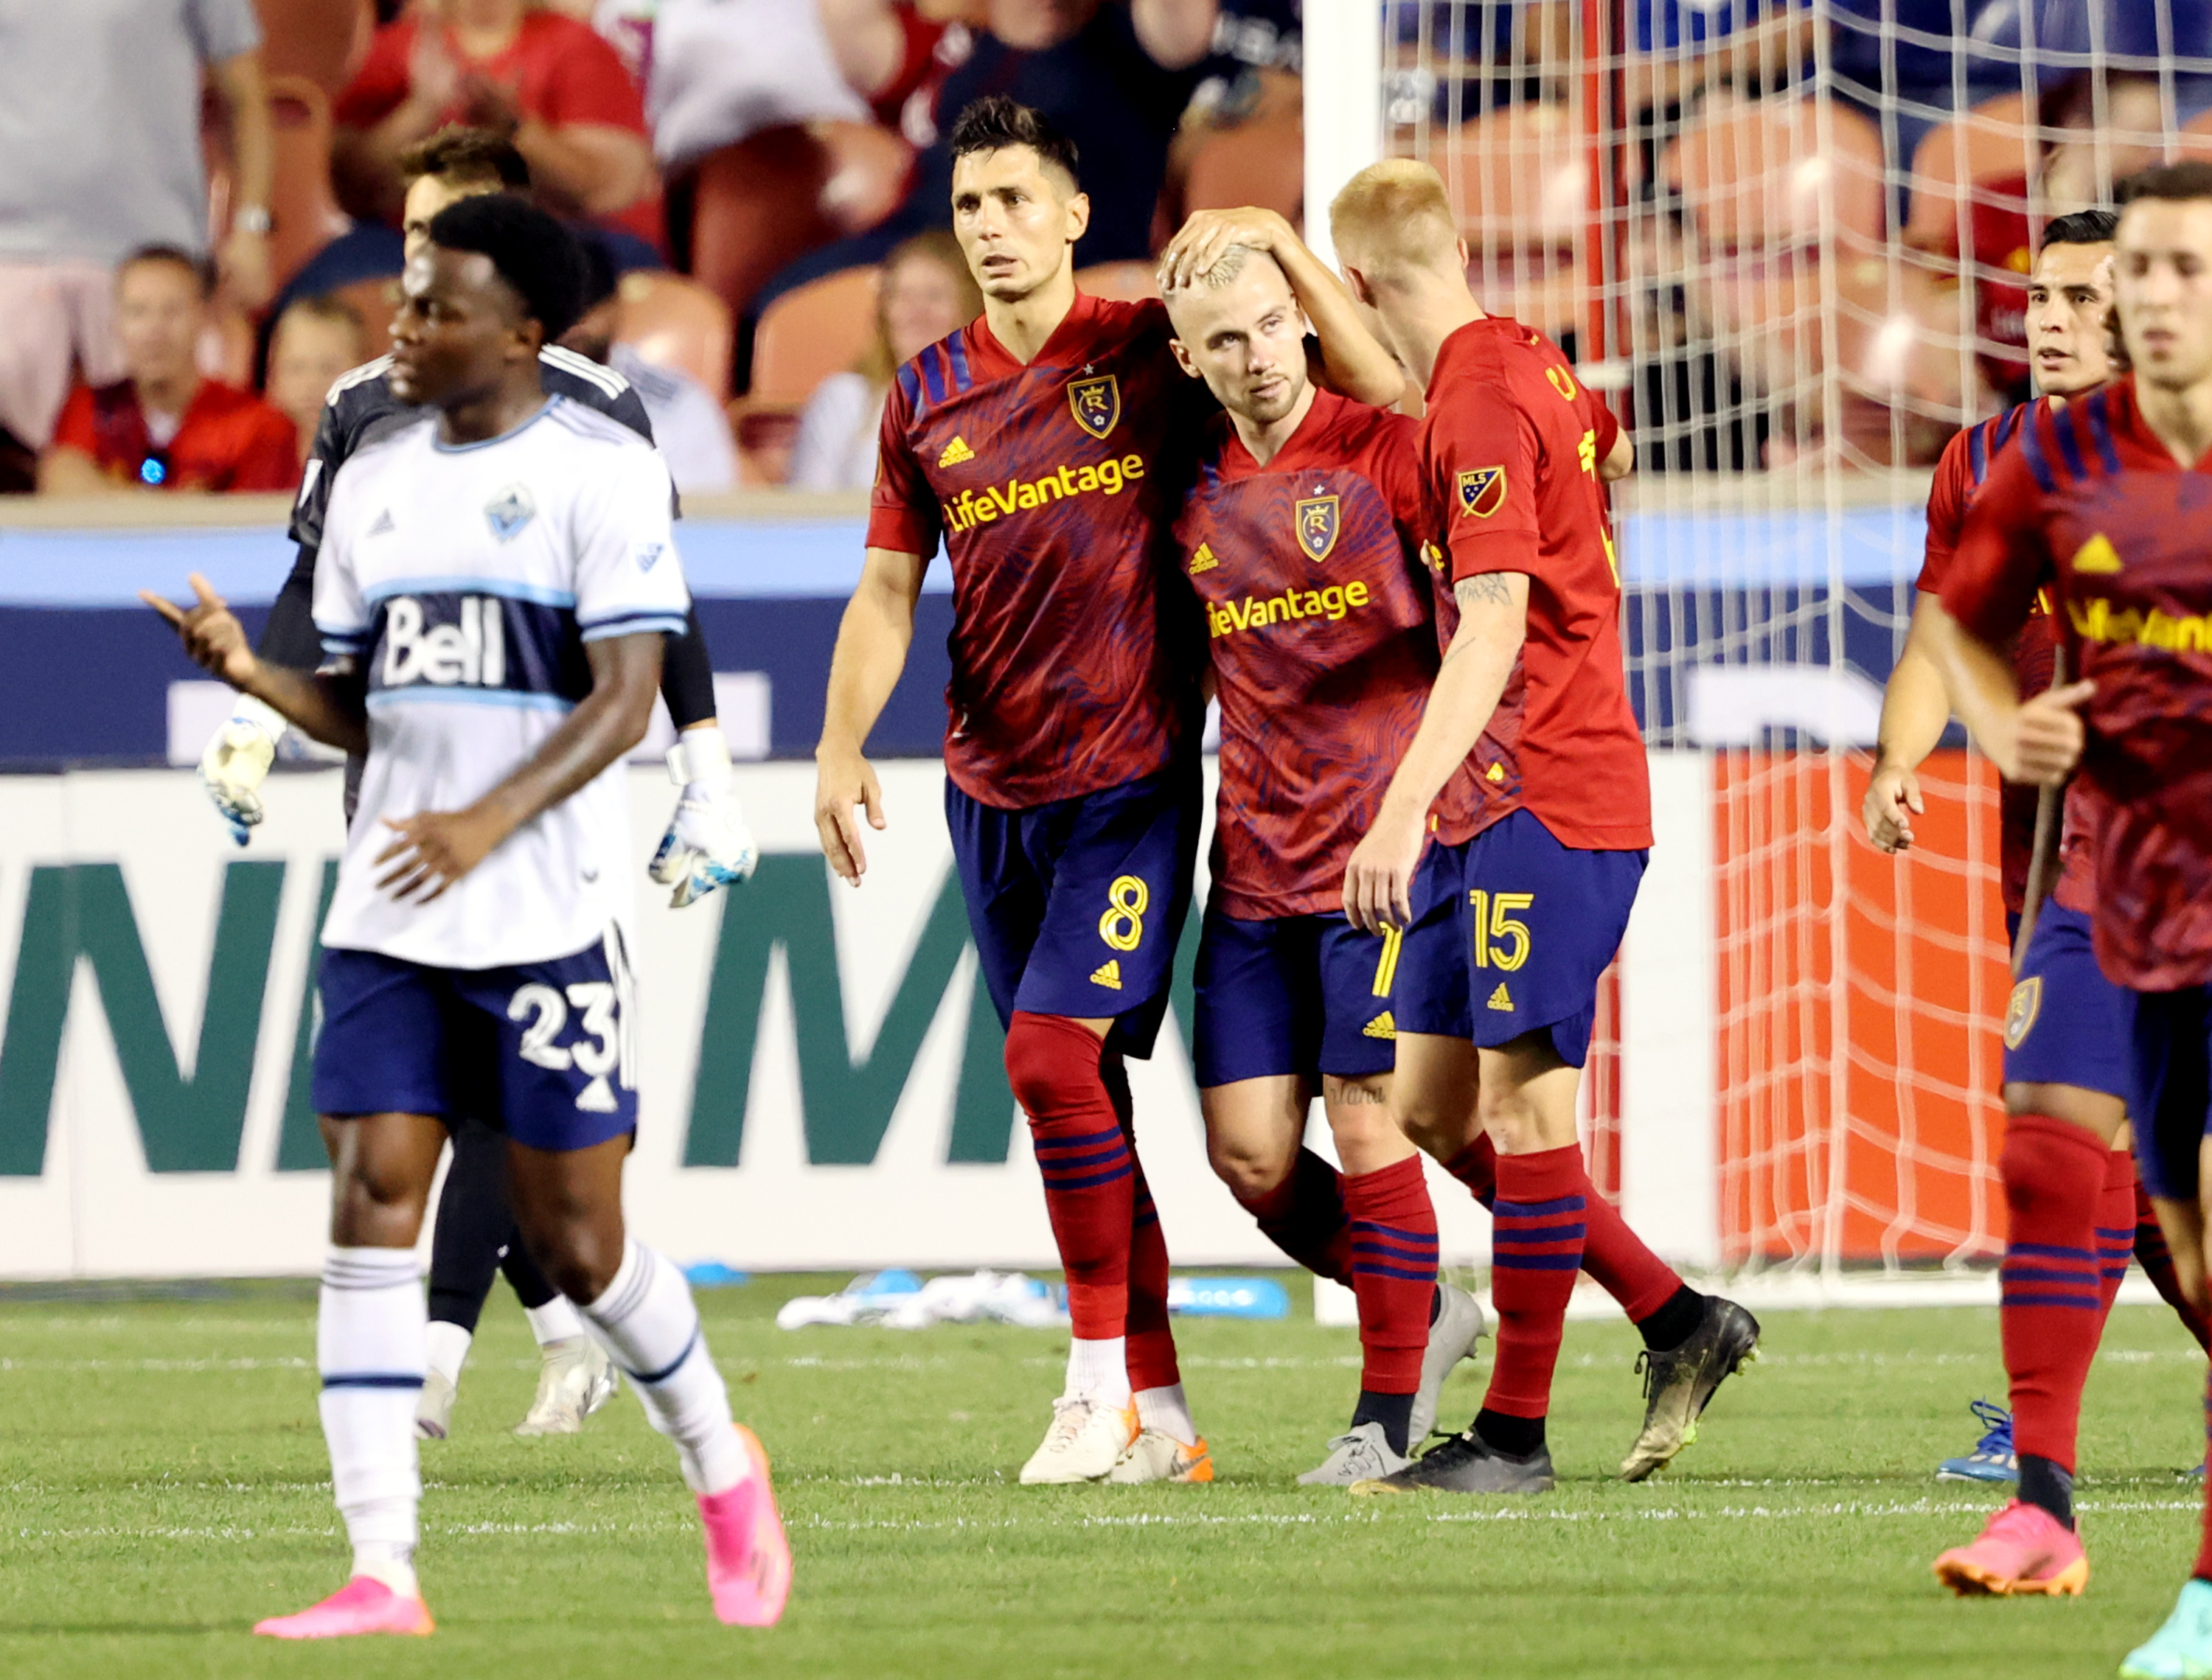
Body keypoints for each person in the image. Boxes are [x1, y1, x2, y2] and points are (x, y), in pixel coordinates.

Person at [143, 194, 790, 1638]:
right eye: (405, 299)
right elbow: (355, 704)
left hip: (540, 906)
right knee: (372, 1197)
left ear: (521, 331)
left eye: (436, 305)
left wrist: (492, 817)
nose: (404, 323)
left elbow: (625, 693)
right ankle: (385, 1565)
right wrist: (252, 674)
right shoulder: (370, 476)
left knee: (579, 1242)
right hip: (386, 903)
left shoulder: (601, 472)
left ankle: (717, 1455)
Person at [813, 94, 1401, 1485]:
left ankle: (1097, 1388)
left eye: (1017, 199)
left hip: (1131, 780)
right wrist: (844, 742)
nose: (994, 229)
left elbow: (1372, 398)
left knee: (1045, 1057)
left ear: (1076, 213)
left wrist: (1273, 239)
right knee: (1082, 1101)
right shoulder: (926, 391)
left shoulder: (1148, 351)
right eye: (970, 207)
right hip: (988, 785)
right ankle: (1168, 1407)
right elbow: (889, 589)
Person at [1322, 158, 1759, 1496]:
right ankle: (1680, 1316)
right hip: (1492, 798)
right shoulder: (1526, 363)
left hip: (1548, 795)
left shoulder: (1481, 398)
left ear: (1359, 284)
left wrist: (1396, 806)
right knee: (1435, 1106)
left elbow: (1499, 613)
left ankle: (1513, 1432)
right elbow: (1604, 447)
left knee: (1522, 1106)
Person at [1864, 215, 2212, 1558]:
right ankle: (2046, 1500)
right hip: (2079, 861)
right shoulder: (1997, 463)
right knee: (2066, 1152)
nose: (2048, 318)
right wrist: (1902, 760)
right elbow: (1944, 632)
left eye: (2082, 295)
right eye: (2040, 293)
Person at [199, 126, 757, 917]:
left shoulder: (599, 408)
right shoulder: (358, 407)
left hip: (546, 806)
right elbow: (313, 575)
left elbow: (652, 591)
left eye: (448, 233)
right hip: (392, 797)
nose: (422, 258)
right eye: (414, 233)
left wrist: (706, 775)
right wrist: (255, 721)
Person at [1158, 231, 1489, 1484]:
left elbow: (1414, 403)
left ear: (1306, 321)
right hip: (1251, 866)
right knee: (1247, 1154)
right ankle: (1441, 1301)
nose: (1255, 358)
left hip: (1379, 858)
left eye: (1270, 325)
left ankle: (1389, 1405)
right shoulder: (1184, 494)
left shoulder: (1383, 453)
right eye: (1224, 340)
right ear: (1190, 359)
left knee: (1367, 1110)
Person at [758, 0, 1220, 308]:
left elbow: (1181, 27)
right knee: (784, 303)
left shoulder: (1134, 38)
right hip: (923, 244)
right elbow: (850, 24)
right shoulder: (959, 39)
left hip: (1060, 263)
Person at [0, 0, 273, 464]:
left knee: (191, 452)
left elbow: (246, 98)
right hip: (11, 250)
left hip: (154, 249)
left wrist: (251, 226)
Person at [335, 0, 663, 254]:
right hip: (416, 244)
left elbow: (603, 191)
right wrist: (418, 112)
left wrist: (514, 130)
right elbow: (347, 186)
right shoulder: (396, 48)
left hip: (565, 242)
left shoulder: (578, 47)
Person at [38, 247, 297, 495]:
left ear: (204, 317)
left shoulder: (255, 423)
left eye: (172, 311)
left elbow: (250, 523)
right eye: (138, 312)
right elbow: (62, 479)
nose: (154, 331)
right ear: (116, 324)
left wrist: (112, 495)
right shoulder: (89, 408)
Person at [788, 230, 981, 492]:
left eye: (934, 296)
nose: (917, 312)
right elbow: (805, 516)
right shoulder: (845, 399)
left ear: (971, 308)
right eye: (903, 296)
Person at [561, 240, 737, 493]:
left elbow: (704, 521)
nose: (572, 329)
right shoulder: (491, 398)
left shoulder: (675, 406)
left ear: (614, 307)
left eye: (585, 313)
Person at [266, 298, 370, 473]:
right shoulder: (253, 454)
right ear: (272, 377)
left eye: (328, 368)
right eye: (296, 368)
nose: (312, 384)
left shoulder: (382, 457)